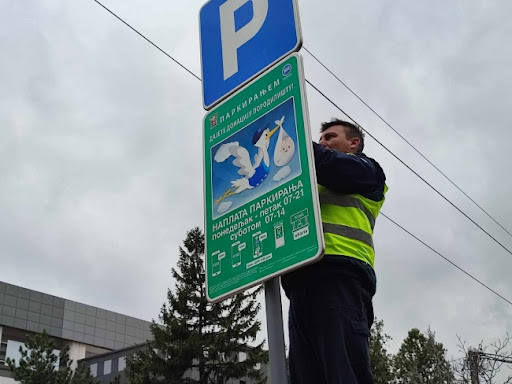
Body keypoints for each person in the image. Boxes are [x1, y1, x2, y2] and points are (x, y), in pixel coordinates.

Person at [281, 119, 387, 384]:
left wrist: (288, 142)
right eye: (322, 139)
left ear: (354, 143)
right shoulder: (310, 182)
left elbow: (329, 164)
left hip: (340, 277)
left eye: (330, 137)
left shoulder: (368, 171)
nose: (323, 142)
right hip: (299, 282)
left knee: (344, 374)